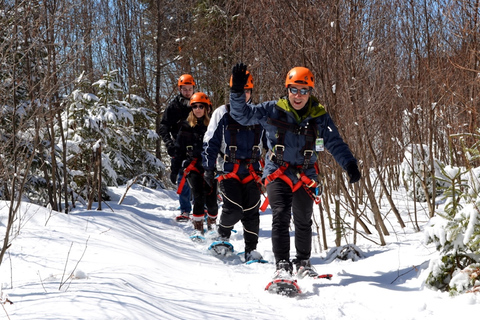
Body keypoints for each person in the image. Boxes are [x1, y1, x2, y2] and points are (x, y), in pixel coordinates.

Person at [228, 63, 361, 278]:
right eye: (294, 90)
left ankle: (303, 262)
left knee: (303, 218)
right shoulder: (272, 110)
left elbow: (335, 142)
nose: (298, 96)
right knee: (280, 214)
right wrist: (237, 91)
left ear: (310, 93)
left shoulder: (319, 117)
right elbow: (242, 116)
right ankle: (282, 263)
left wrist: (350, 164)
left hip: (305, 174)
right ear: (287, 90)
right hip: (277, 171)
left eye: (304, 91)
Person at [202, 71, 267, 262]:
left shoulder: (259, 114)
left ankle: (250, 250)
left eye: (247, 91)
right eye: (240, 90)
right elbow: (210, 141)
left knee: (252, 211)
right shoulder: (222, 113)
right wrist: (208, 167)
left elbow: (271, 143)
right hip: (228, 169)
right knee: (234, 208)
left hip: (253, 171)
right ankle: (222, 235)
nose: (244, 94)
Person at [171, 92, 218, 234]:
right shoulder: (185, 127)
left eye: (201, 106)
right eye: (195, 106)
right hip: (193, 167)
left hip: (210, 167)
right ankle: (198, 229)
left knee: (212, 201)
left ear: (207, 109)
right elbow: (178, 150)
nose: (198, 109)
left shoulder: (213, 127)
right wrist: (174, 170)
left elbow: (222, 147)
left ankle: (212, 227)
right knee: (198, 197)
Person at [159, 74, 195, 218]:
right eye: (184, 89)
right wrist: (169, 143)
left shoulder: (198, 103)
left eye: (189, 89)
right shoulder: (173, 106)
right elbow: (163, 126)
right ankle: (185, 209)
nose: (187, 92)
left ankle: (204, 208)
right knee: (183, 178)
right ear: (180, 89)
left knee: (202, 178)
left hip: (198, 145)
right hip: (180, 146)